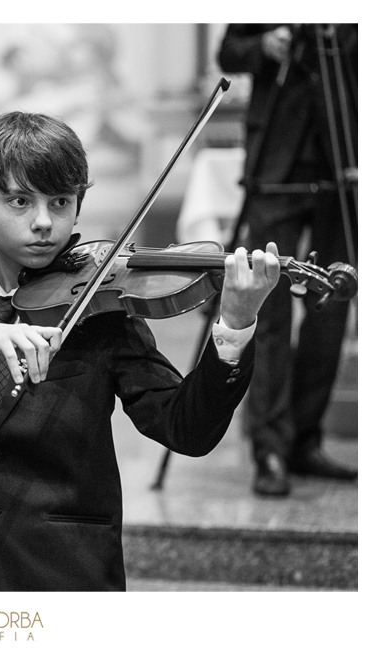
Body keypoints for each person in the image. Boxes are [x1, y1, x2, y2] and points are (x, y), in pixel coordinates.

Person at [0, 111, 280, 591]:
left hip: (66, 574)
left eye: (60, 201)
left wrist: (236, 323)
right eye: (19, 201)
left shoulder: (104, 311)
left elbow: (187, 429)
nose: (44, 223)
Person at [217, 24, 358, 497]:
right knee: (268, 311)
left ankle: (304, 438)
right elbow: (229, 50)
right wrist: (265, 45)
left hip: (346, 159)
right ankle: (269, 446)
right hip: (277, 161)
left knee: (333, 307)